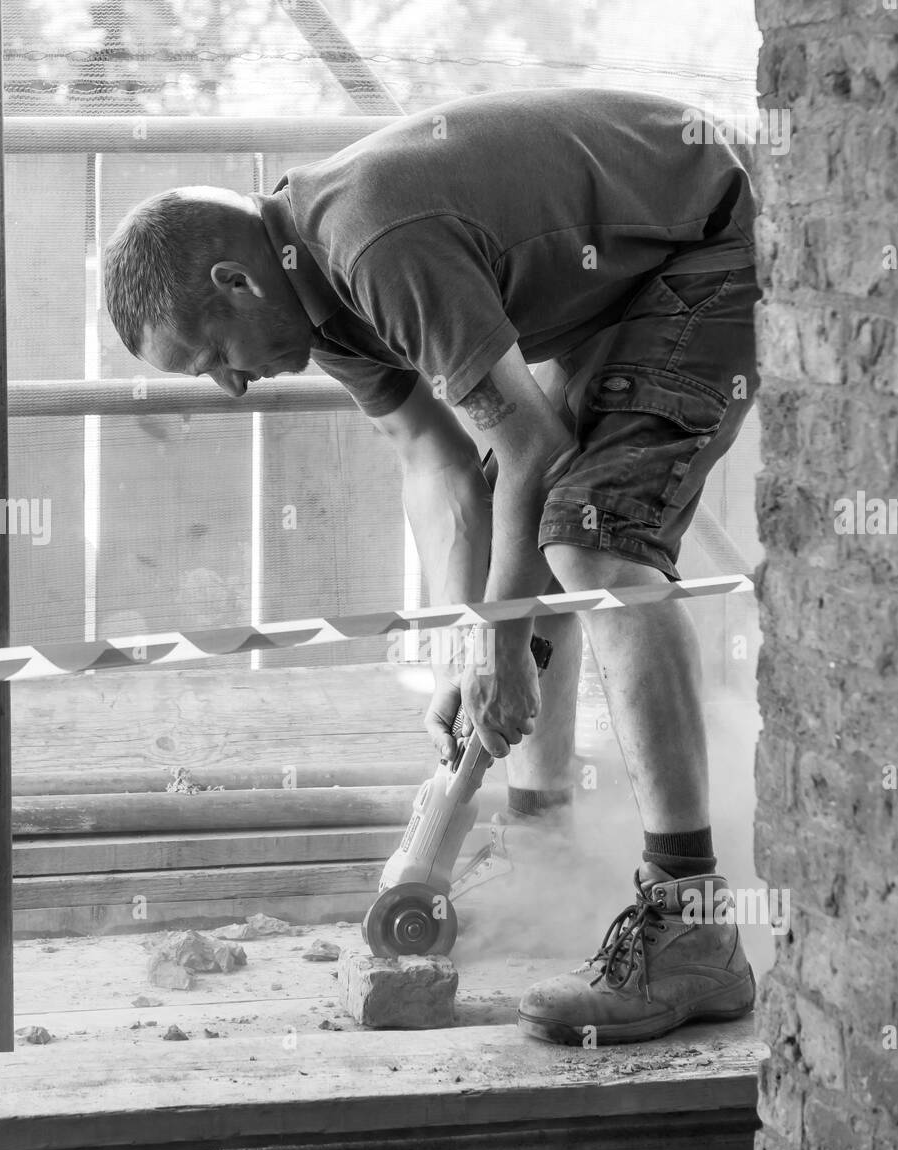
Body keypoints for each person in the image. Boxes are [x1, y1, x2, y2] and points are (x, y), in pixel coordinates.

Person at [103, 86, 760, 1044]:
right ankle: (546, 844)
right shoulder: (317, 305)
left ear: (233, 280)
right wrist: (471, 651)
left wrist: (496, 641)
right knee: (531, 551)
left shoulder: (372, 245)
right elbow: (445, 466)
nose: (231, 385)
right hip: (619, 285)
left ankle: (691, 928)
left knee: (588, 539)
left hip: (708, 236)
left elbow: (528, 452)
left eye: (209, 355)